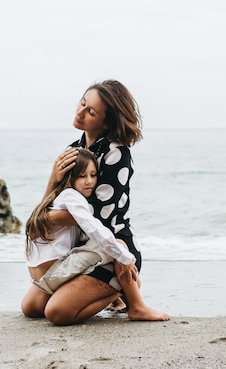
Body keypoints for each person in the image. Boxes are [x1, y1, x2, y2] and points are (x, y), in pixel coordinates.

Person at [26, 79, 169, 325]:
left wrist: (43, 219)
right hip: (77, 252)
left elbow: (97, 217)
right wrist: (52, 178)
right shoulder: (74, 149)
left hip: (110, 249)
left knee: (56, 313)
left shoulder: (117, 153)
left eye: (90, 112)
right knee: (32, 308)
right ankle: (112, 293)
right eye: (82, 103)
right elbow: (54, 201)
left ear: (107, 122)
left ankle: (123, 291)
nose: (80, 112)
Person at [22, 149, 136, 298]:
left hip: (38, 280)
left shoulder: (55, 199)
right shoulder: (71, 195)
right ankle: (123, 294)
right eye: (82, 176)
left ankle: (114, 299)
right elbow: (92, 227)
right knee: (116, 243)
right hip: (55, 273)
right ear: (70, 177)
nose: (89, 181)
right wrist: (125, 258)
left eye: (93, 175)